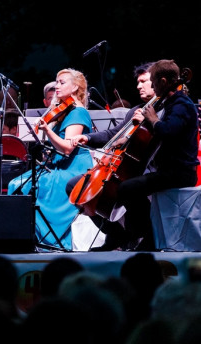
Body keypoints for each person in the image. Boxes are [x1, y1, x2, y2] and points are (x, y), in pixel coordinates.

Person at [75, 60, 199, 251]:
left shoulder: (181, 104)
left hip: (179, 171)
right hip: (163, 169)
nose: (149, 87)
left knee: (127, 188)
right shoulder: (165, 102)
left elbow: (169, 132)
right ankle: (125, 235)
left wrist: (152, 120)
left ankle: (146, 236)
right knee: (123, 187)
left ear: (163, 81)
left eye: (153, 82)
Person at [66, 62, 156, 249]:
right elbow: (113, 134)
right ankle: (114, 235)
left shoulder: (164, 110)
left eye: (143, 81)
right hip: (122, 169)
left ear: (156, 81)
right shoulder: (135, 110)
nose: (138, 86)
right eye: (137, 82)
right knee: (76, 187)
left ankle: (139, 236)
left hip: (147, 169)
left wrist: (149, 122)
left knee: (123, 190)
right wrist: (86, 137)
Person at [7, 68, 93, 250]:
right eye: (57, 81)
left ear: (75, 87)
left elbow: (68, 148)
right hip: (58, 165)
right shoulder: (64, 111)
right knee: (16, 184)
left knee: (24, 187)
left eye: (62, 82)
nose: (57, 86)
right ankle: (27, 239)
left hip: (72, 169)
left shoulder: (78, 112)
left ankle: (46, 241)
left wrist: (47, 131)